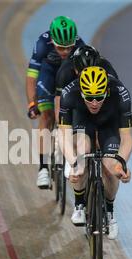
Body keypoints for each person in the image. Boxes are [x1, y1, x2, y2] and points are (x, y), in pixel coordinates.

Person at [58, 66, 132, 240]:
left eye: (98, 97)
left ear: (107, 91)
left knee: (111, 167)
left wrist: (121, 163)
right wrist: (73, 164)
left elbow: (127, 137)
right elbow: (64, 135)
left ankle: (109, 211)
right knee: (82, 153)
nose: (94, 102)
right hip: (83, 122)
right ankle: (79, 205)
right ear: (81, 92)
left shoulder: (121, 93)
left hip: (109, 123)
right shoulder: (69, 93)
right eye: (89, 97)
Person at [26, 16, 85, 189]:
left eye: (69, 47)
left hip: (69, 75)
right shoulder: (42, 44)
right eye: (60, 47)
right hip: (49, 74)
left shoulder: (80, 45)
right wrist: (31, 103)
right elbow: (31, 77)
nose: (65, 51)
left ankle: (69, 154)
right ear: (52, 41)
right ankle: (43, 168)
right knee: (47, 115)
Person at [54, 45, 119, 123]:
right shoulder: (65, 73)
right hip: (75, 99)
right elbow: (59, 103)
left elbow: (117, 101)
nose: (88, 76)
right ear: (75, 69)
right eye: (83, 73)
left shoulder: (107, 69)